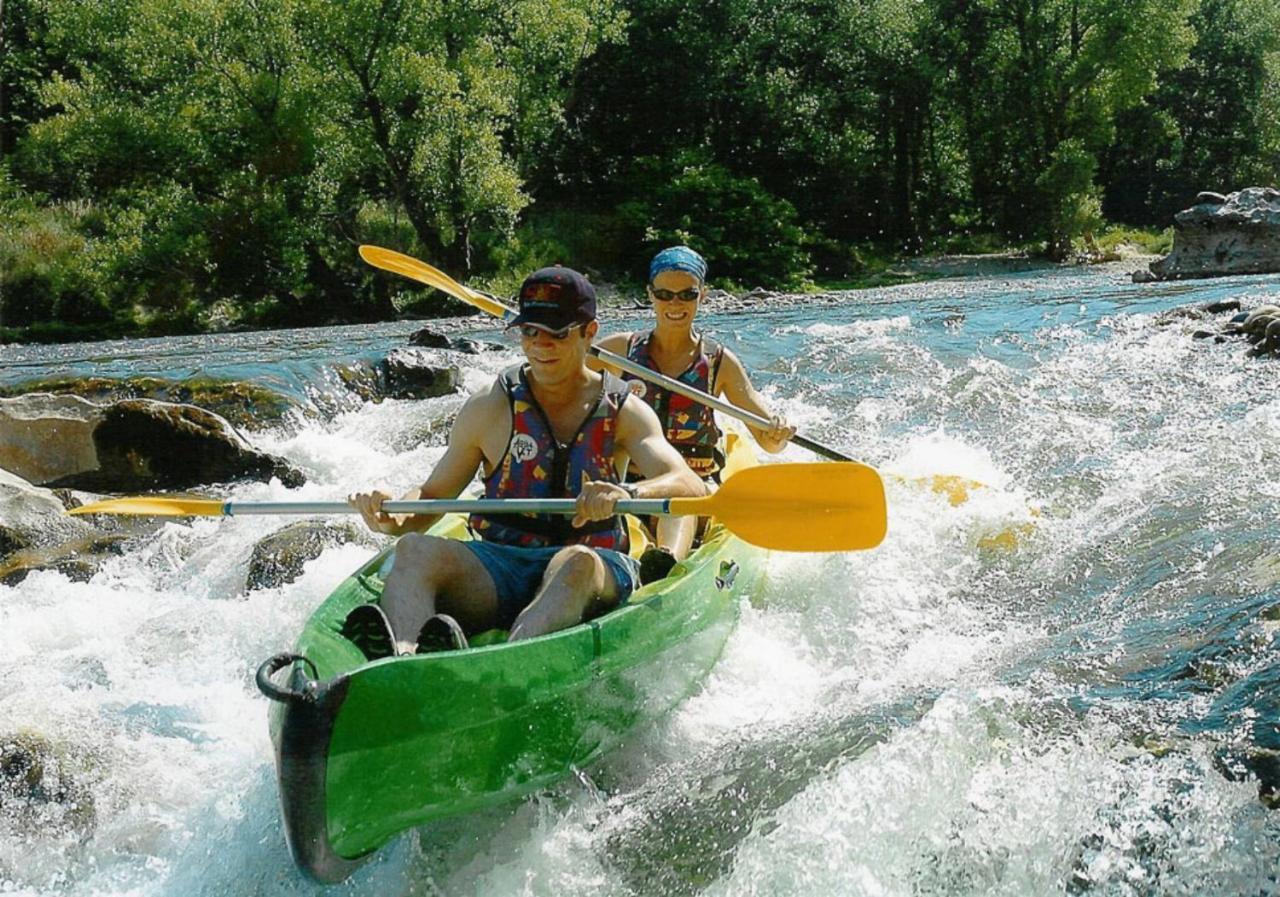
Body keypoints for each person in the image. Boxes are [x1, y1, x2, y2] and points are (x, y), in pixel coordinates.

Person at [342, 265, 704, 659]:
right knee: (413, 549)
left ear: (589, 333)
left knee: (576, 562)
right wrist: (389, 516)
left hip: (592, 568)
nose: (540, 345)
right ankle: (402, 658)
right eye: (530, 332)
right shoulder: (489, 406)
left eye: (557, 333)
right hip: (501, 565)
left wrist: (629, 491)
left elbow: (686, 482)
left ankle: (509, 663)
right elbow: (430, 498)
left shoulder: (624, 410)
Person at [593, 246, 795, 572]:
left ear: (703, 294)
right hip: (631, 486)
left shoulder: (719, 363)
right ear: (650, 294)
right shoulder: (618, 351)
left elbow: (769, 441)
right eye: (664, 294)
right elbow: (560, 381)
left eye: (686, 294)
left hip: (693, 489)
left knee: (679, 504)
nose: (675, 304)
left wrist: (778, 430)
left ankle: (665, 565)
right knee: (630, 511)